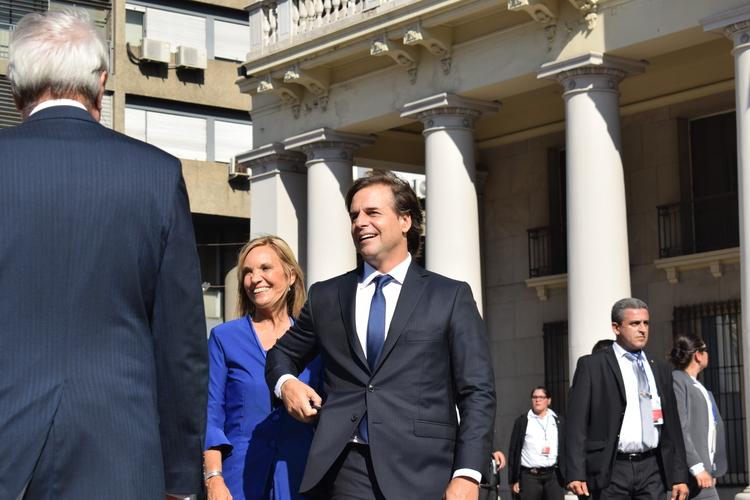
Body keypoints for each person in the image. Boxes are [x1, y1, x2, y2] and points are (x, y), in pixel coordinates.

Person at [0, 9, 207, 499]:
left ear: (16, 88)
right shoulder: (156, 175)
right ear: (101, 82)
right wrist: (180, 474)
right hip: (121, 457)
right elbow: (180, 342)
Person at [265, 170, 496, 500]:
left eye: (372, 212)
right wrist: (286, 383)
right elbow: (280, 354)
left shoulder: (450, 297)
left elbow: (477, 392)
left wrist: (468, 473)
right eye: (354, 215)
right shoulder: (326, 296)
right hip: (344, 469)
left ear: (405, 221)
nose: (360, 222)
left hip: (425, 471)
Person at [204, 236, 322, 500]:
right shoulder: (224, 339)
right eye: (247, 272)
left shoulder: (314, 342)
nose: (254, 278)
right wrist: (214, 479)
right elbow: (211, 416)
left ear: (290, 276)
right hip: (239, 481)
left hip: (300, 480)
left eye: (265, 268)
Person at [566, 298, 689, 500]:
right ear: (616, 327)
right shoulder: (593, 366)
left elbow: (673, 427)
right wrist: (576, 472)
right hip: (611, 469)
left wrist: (679, 476)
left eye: (645, 323)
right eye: (634, 323)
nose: (642, 329)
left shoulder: (659, 367)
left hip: (652, 468)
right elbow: (576, 424)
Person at [670, 335, 727, 500]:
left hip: (703, 472)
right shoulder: (678, 380)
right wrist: (697, 466)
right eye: (706, 350)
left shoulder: (695, 384)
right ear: (698, 355)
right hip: (690, 474)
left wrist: (711, 468)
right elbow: (680, 427)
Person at [508, 387, 565, 500]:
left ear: (548, 400)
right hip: (530, 477)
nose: (537, 400)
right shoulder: (522, 421)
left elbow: (565, 448)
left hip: (553, 475)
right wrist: (513, 480)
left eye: (541, 397)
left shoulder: (558, 420)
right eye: (534, 397)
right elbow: (513, 451)